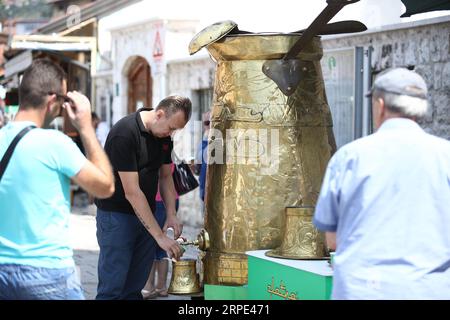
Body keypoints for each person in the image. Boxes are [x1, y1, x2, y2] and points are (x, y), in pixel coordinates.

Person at [313, 67, 450, 300]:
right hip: (430, 290)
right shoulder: (446, 155)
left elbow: (333, 239)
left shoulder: (350, 157)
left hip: (362, 290)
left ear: (380, 105)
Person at [0, 59, 115, 300]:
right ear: (52, 100)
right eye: (63, 101)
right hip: (47, 272)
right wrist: (85, 128)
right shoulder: (55, 143)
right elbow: (105, 186)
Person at [94, 95, 191, 300]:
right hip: (117, 217)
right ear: (160, 114)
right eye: (171, 127)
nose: (170, 133)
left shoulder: (164, 138)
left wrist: (172, 214)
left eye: (175, 130)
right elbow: (132, 191)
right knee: (112, 289)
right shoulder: (124, 133)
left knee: (134, 289)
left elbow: (165, 177)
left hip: (146, 215)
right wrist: (159, 236)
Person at [142, 163, 179, 299]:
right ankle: (161, 287)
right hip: (169, 200)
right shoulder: (167, 151)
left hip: (158, 200)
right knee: (160, 244)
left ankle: (149, 286)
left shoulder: (161, 151)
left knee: (151, 243)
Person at [196, 111, 210, 215]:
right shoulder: (203, 142)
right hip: (204, 191)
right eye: (206, 123)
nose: (209, 126)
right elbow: (199, 164)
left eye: (211, 122)